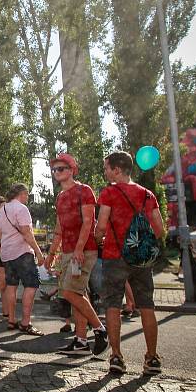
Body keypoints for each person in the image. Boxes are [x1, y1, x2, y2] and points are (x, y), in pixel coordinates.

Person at [95, 151, 165, 375]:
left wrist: (99, 239)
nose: (105, 172)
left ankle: (116, 356)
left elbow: (102, 226)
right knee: (147, 305)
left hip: (115, 256)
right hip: (141, 259)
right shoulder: (147, 195)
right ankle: (152, 358)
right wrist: (142, 243)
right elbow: (160, 229)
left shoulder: (109, 193)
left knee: (113, 305)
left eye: (107, 168)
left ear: (117, 169)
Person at [43, 153, 108, 357]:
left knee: (69, 292)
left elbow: (89, 222)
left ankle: (100, 329)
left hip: (84, 249)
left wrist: (79, 249)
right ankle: (80, 342)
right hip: (68, 251)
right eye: (54, 170)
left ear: (72, 170)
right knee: (78, 293)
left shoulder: (84, 190)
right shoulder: (60, 197)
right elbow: (60, 228)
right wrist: (51, 254)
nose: (57, 172)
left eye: (61, 168)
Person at [0, 184, 45, 336]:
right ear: (22, 194)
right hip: (22, 252)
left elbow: (0, 233)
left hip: (7, 253)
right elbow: (27, 233)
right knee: (31, 285)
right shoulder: (21, 209)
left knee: (11, 286)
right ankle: (25, 322)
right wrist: (38, 252)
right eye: (27, 195)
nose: (28, 198)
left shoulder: (2, 210)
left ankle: (11, 320)